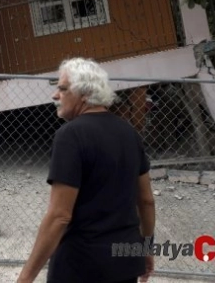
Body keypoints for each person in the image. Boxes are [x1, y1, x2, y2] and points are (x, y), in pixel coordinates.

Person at [17, 57, 156, 283]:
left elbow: (59, 216)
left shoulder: (70, 136)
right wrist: (146, 248)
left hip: (81, 265)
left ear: (84, 93)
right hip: (125, 262)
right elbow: (147, 201)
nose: (55, 95)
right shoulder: (129, 133)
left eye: (62, 89)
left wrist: (25, 278)